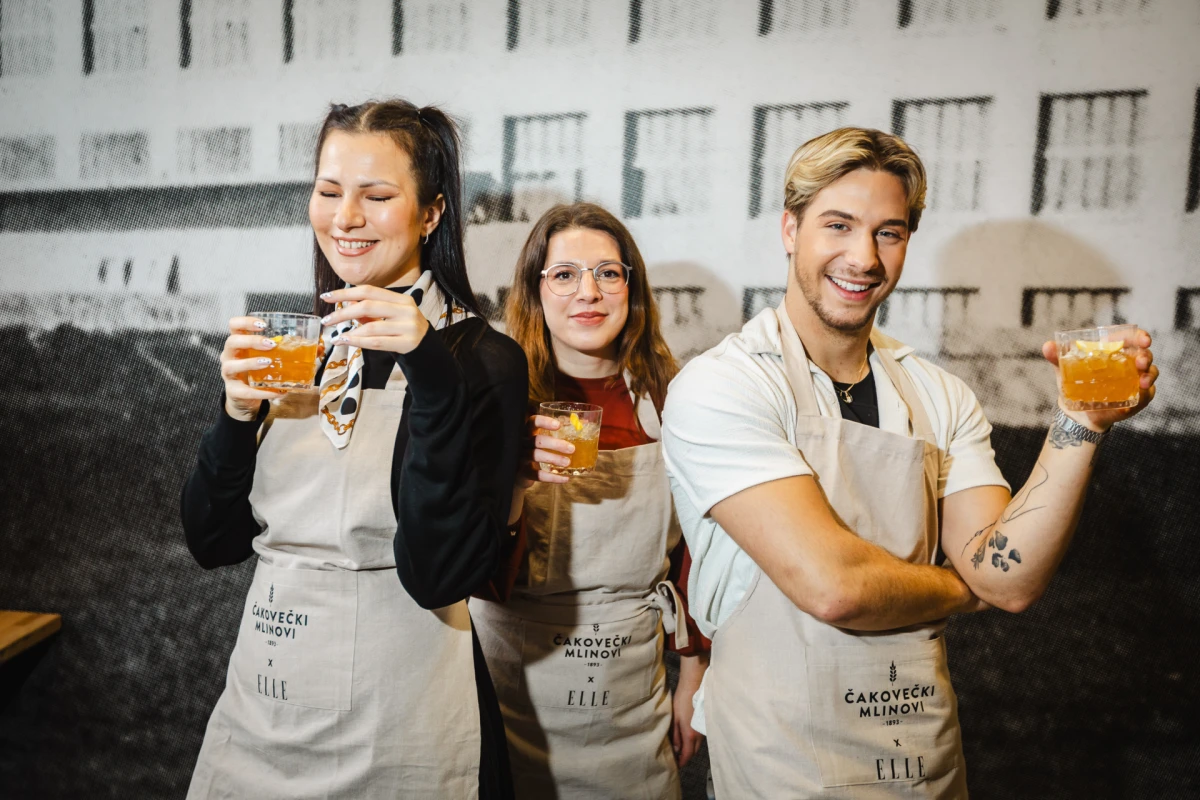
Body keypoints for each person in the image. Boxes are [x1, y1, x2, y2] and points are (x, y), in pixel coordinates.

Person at [661, 127, 1159, 797]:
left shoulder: (937, 393)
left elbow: (1008, 579)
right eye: (838, 225)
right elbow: (833, 587)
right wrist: (959, 587)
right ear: (790, 229)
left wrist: (1080, 422)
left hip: (920, 757)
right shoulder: (726, 384)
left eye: (888, 233)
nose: (863, 257)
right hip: (785, 762)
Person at [180, 99, 527, 799]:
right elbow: (213, 540)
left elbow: (439, 573)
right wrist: (236, 416)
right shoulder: (298, 346)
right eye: (329, 191)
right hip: (267, 707)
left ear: (432, 214)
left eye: (377, 196)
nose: (345, 218)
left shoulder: (481, 359)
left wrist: (430, 374)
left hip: (401, 716)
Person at [470, 203, 710, 799]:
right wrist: (514, 482)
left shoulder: (671, 396)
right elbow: (463, 565)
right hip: (509, 685)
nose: (589, 292)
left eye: (608, 272)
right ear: (534, 290)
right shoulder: (495, 395)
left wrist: (694, 672)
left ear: (632, 287)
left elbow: (698, 550)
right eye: (565, 274)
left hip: (631, 694)